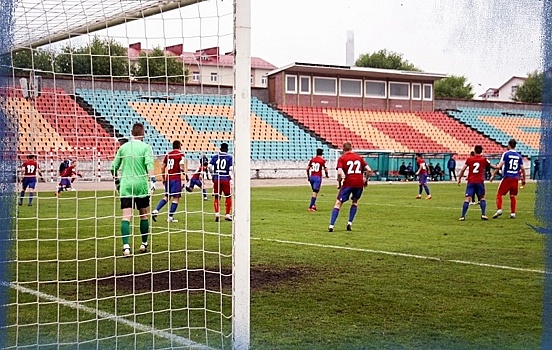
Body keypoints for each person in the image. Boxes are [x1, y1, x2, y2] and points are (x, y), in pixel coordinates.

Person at [111, 122, 156, 257]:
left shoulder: (123, 148)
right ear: (143, 134)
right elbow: (149, 165)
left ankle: (126, 247)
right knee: (143, 215)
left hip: (126, 186)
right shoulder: (146, 147)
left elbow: (113, 167)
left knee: (126, 217)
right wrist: (153, 181)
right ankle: (144, 244)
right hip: (140, 185)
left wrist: (117, 181)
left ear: (131, 133)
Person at [328, 142, 371, 232]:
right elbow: (369, 170)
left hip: (348, 182)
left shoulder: (342, 158)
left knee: (338, 203)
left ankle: (331, 225)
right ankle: (349, 223)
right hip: (359, 182)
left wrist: (339, 183)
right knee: (354, 202)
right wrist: (366, 180)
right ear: (351, 148)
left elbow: (339, 173)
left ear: (343, 149)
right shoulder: (359, 157)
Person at [457, 145, 498, 221]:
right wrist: (499, 166)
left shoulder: (470, 159)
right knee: (482, 197)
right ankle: (483, 214)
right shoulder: (484, 159)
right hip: (479, 182)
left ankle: (462, 216)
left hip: (471, 182)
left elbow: (463, 169)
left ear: (474, 151)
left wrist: (459, 179)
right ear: (481, 151)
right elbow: (493, 166)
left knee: (467, 198)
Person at [489, 138, 526, 219]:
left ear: (509, 145)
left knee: (499, 194)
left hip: (507, 177)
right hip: (515, 178)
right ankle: (513, 213)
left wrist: (493, 175)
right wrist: (524, 180)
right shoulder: (519, 155)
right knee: (512, 196)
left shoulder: (506, 154)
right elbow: (522, 168)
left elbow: (499, 166)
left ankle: (499, 209)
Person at [152, 140, 186, 223]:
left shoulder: (168, 155)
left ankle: (156, 210)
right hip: (176, 179)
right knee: (176, 198)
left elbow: (163, 167)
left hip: (168, 178)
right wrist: (186, 174)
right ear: (179, 146)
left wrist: (163, 177)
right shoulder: (181, 155)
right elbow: (181, 167)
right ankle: (170, 217)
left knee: (167, 197)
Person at [209, 142, 233, 222]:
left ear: (220, 149)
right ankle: (227, 215)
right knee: (228, 196)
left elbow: (209, 166)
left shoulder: (215, 157)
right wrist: (231, 177)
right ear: (227, 149)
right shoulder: (229, 158)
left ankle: (217, 214)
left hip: (217, 178)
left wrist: (213, 174)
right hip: (225, 178)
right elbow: (231, 168)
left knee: (217, 196)